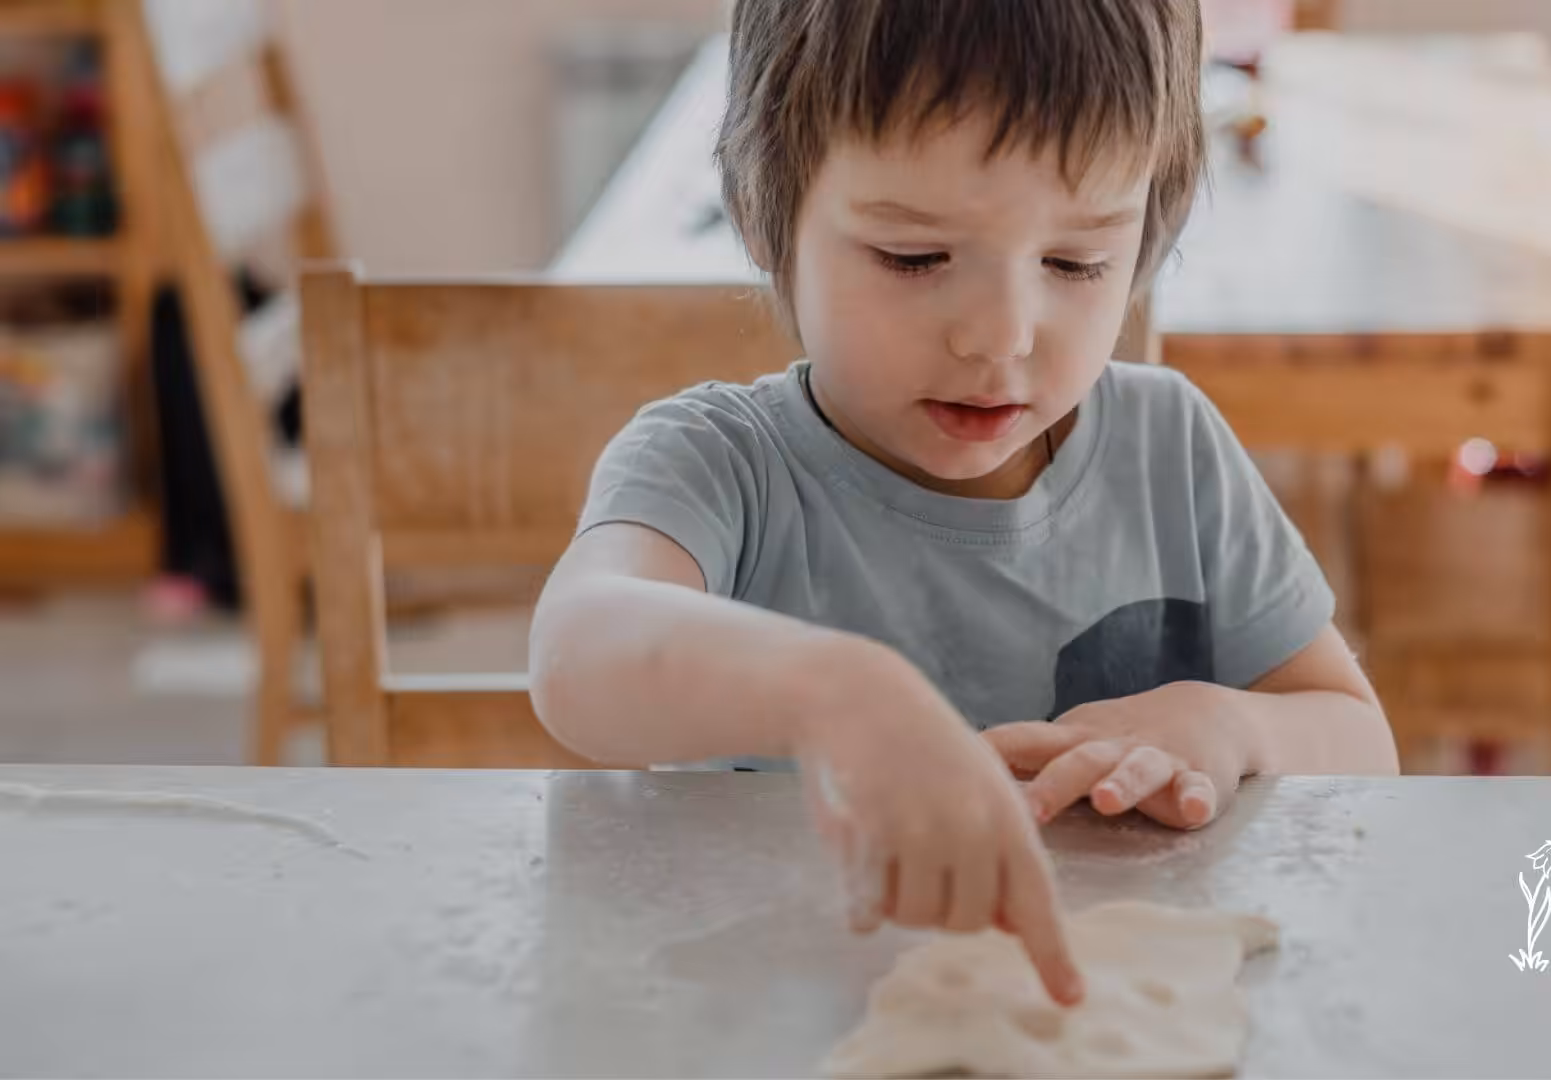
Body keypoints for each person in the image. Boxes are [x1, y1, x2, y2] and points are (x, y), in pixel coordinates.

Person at [529, 0, 1398, 1007]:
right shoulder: (720, 465)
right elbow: (576, 650)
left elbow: (1358, 739)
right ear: (772, 218)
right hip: (798, 1013)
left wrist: (1226, 727)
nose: (1001, 335)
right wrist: (831, 692)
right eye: (914, 258)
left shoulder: (1173, 448)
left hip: (1109, 1016)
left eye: (1077, 262)